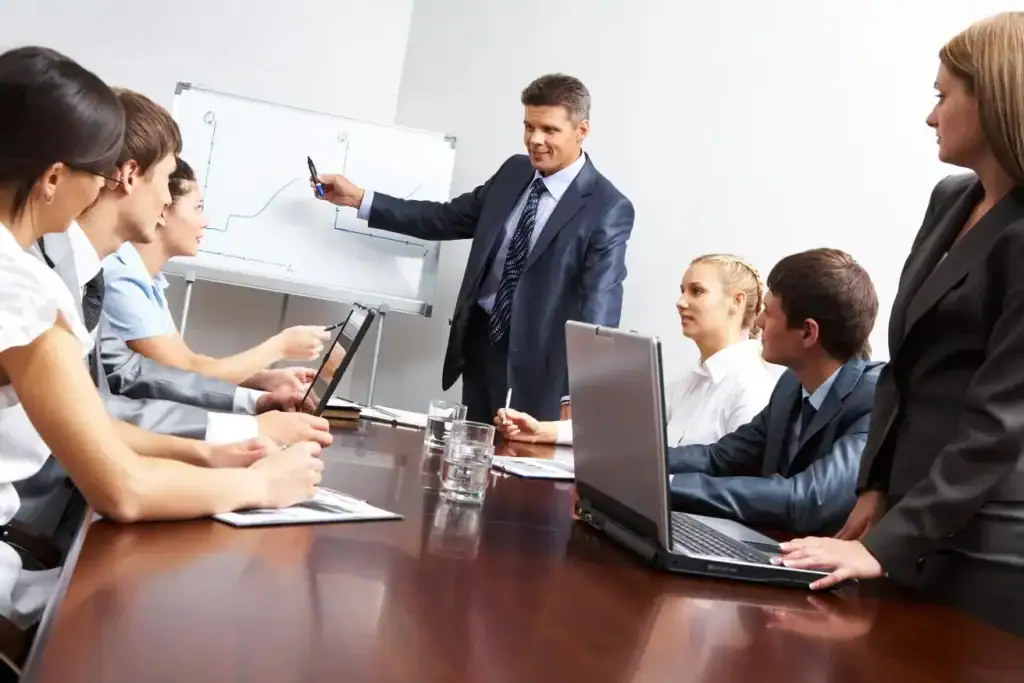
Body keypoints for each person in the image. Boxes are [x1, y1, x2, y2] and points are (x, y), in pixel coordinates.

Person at [0, 46, 322, 626]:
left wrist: (210, 452)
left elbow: (95, 419)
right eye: (95, 176)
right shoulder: (22, 289)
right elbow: (121, 490)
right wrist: (263, 484)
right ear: (53, 178)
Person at [777, 12, 1024, 637]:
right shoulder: (950, 199)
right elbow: (906, 366)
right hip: (904, 517)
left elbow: (1001, 424)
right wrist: (877, 489)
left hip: (986, 543)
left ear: (995, 98)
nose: (930, 115)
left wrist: (885, 545)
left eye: (943, 96)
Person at [314, 73, 635, 423]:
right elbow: (445, 218)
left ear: (582, 130)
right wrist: (360, 198)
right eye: (528, 127)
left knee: (523, 469)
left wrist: (581, 392)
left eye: (549, 130)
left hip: (539, 373)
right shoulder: (514, 171)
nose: (535, 140)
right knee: (471, 453)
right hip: (480, 346)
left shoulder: (606, 208)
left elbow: (600, 307)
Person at [667, 248, 881, 535]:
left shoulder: (874, 399)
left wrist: (665, 486)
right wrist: (637, 463)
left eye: (768, 312)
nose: (757, 322)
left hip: (828, 573)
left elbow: (806, 499)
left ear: (808, 333)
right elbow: (720, 457)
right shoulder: (790, 385)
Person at [495, 253, 776, 446]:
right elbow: (623, 431)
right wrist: (539, 430)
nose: (680, 302)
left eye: (697, 291)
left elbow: (736, 479)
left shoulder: (751, 388)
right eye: (682, 290)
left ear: (736, 302)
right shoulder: (689, 382)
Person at [100, 157, 331, 385]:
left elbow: (189, 361)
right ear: (163, 210)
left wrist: (264, 379)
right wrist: (280, 347)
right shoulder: (122, 277)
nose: (205, 221)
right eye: (197, 208)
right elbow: (184, 374)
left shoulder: (147, 279)